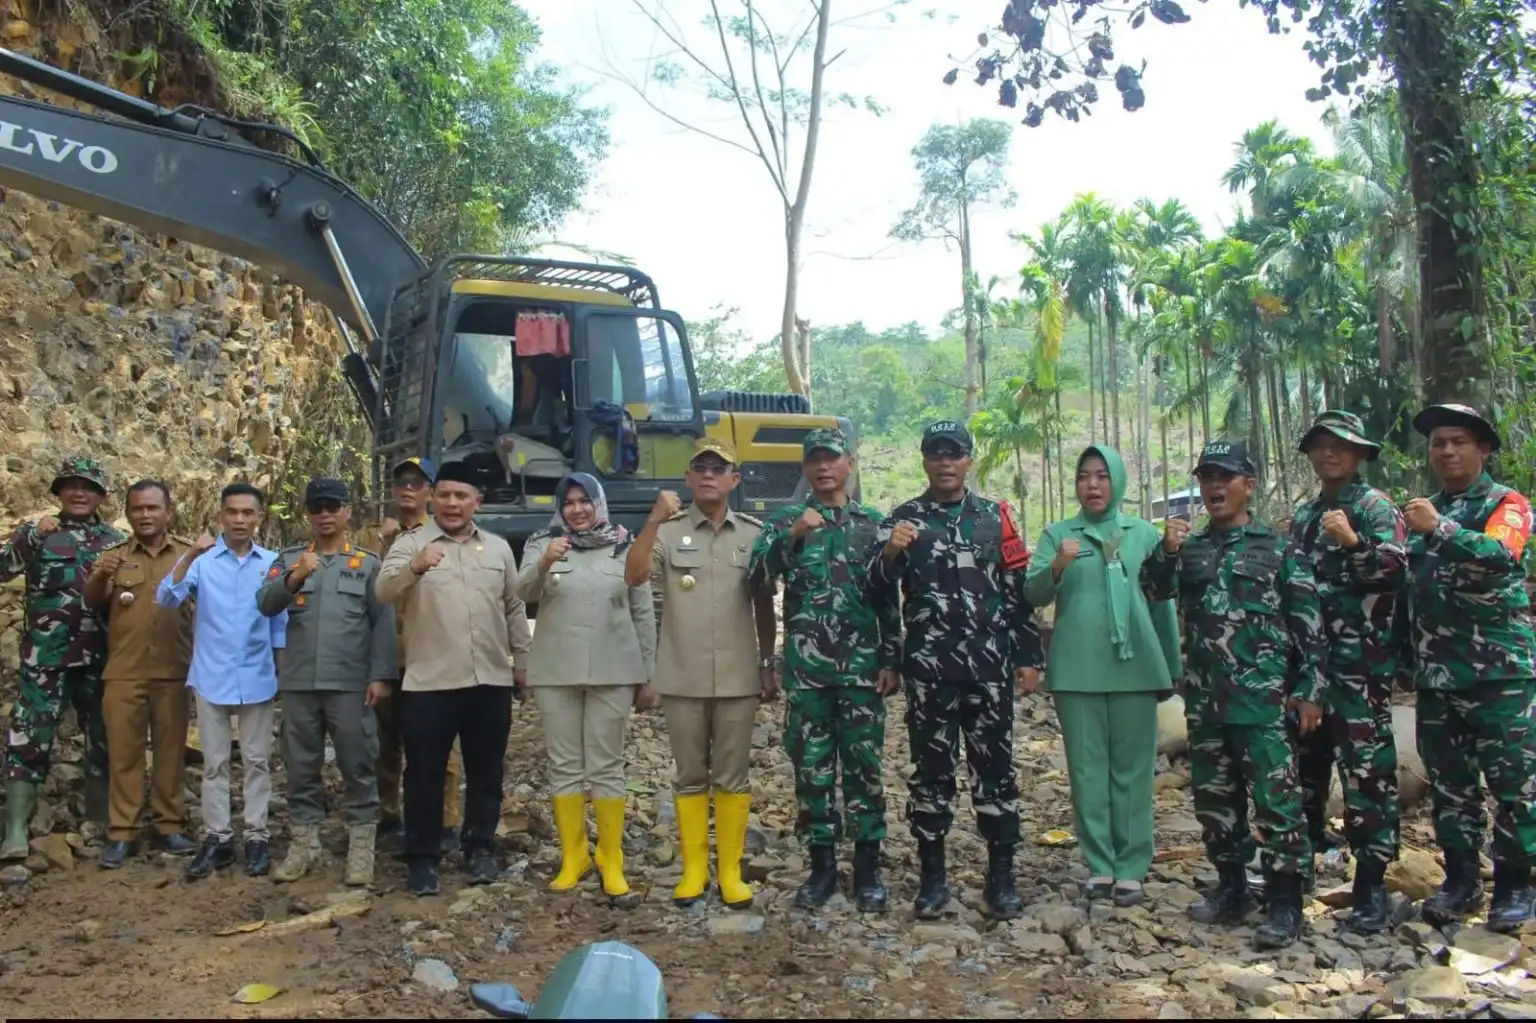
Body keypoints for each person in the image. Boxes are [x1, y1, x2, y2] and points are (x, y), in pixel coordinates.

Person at [1143, 441, 1323, 950]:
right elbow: (1153, 589)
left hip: (1263, 704)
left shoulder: (1278, 548)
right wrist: (1168, 551)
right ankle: (1232, 888)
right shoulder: (1193, 548)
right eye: (1206, 478)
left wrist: (1309, 691)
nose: (1215, 487)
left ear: (1250, 484)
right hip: (1206, 703)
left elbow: (1309, 624)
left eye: (1225, 477)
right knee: (1215, 803)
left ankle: (1286, 901)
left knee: (1277, 805)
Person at [868, 420, 1043, 921]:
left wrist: (1029, 657)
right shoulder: (904, 518)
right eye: (936, 453)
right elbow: (875, 590)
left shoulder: (995, 517)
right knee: (931, 775)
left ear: (969, 460)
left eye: (956, 453)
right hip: (930, 673)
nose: (946, 462)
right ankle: (932, 879)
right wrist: (892, 550)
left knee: (996, 773)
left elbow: (1019, 590)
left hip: (989, 669)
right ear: (924, 460)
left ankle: (1001, 879)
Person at [624, 436, 779, 909]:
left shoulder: (754, 535)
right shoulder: (668, 533)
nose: (709, 474)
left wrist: (768, 662)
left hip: (737, 677)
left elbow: (764, 604)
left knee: (732, 776)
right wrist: (652, 520)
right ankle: (694, 871)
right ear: (689, 478)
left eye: (719, 468)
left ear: (734, 480)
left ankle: (730, 872)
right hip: (682, 675)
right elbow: (633, 576)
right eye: (700, 467)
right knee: (689, 775)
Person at [749, 427, 900, 912]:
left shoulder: (873, 523)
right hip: (808, 675)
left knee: (865, 770)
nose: (823, 467)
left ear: (849, 464)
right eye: (814, 460)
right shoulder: (787, 520)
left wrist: (892, 658)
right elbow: (755, 579)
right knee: (812, 772)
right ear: (804, 468)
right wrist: (791, 538)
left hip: (861, 674)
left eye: (831, 459)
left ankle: (869, 870)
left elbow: (886, 597)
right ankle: (821, 869)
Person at [1025, 445, 1181, 907]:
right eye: (1084, 476)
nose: (1092, 485)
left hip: (1135, 669)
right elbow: (1032, 593)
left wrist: (1169, 669)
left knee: (1133, 772)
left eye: (1101, 476)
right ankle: (1100, 865)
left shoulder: (1144, 535)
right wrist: (1058, 565)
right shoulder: (1058, 535)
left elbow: (1161, 603)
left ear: (1117, 482)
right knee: (1088, 772)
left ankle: (1131, 866)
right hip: (1077, 671)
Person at [1403, 403, 1536, 932]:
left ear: (1482, 449)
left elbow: (1502, 555)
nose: (1448, 451)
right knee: (1451, 788)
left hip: (1499, 676)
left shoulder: (1508, 503)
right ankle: (1460, 881)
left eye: (1459, 441)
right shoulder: (1421, 511)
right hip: (1438, 678)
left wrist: (1440, 530)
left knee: (1515, 787)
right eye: (1439, 442)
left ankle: (1514, 886)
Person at [376, 460, 532, 896]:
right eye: (443, 494)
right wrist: (415, 567)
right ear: (432, 498)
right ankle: (422, 859)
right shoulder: (412, 544)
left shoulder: (498, 548)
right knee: (424, 773)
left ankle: (479, 848)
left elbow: (514, 606)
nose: (451, 503)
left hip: (489, 680)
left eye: (461, 495)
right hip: (430, 682)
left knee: (486, 773)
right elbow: (383, 591)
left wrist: (522, 660)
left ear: (476, 502)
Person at [1289, 410, 1407, 931]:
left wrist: (1354, 544)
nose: (1328, 453)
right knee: (1305, 772)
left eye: (1339, 445)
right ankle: (1301, 873)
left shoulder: (1375, 507)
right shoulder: (1305, 515)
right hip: (1308, 670)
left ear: (1359, 453)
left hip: (1360, 669)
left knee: (1366, 776)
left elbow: (1395, 571)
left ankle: (1370, 886)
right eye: (1319, 445)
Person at [518, 472, 656, 905]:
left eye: (585, 501)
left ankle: (610, 859)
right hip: (556, 669)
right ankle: (573, 856)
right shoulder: (543, 542)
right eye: (569, 502)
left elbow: (643, 610)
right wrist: (544, 563)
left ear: (599, 503)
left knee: (606, 765)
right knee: (564, 765)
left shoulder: (624, 545)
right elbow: (520, 592)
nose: (577, 509)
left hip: (613, 669)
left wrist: (647, 673)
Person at [258, 477, 396, 886]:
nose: (324, 514)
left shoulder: (368, 564)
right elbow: (265, 604)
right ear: (308, 513)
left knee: (359, 764)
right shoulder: (290, 559)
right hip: (299, 683)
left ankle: (360, 849)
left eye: (332, 506)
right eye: (317, 507)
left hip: (351, 684)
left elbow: (383, 623)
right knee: (300, 767)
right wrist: (296, 576)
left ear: (347, 511)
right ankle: (305, 844)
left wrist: (381, 675)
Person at [155, 482, 286, 880]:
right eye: (233, 512)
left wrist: (281, 669)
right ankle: (217, 836)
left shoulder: (273, 562)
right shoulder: (204, 562)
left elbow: (280, 621)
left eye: (248, 513)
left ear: (260, 518)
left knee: (257, 760)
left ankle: (257, 836)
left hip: (258, 673)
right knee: (213, 763)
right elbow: (166, 598)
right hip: (210, 673)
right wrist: (191, 553)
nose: (240, 520)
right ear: (221, 517)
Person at [0, 457, 126, 860]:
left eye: (87, 486)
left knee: (103, 739)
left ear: (101, 496)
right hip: (46, 659)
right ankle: (16, 830)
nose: (78, 492)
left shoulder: (114, 541)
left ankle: (100, 823)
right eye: (70, 485)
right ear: (58, 492)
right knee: (28, 738)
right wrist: (31, 537)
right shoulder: (37, 533)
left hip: (99, 657)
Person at [84, 480, 197, 868]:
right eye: (137, 509)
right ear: (128, 513)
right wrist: (100, 575)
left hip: (174, 670)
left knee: (170, 752)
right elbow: (93, 603)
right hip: (124, 671)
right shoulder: (112, 556)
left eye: (153, 508)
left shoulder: (190, 556)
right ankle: (123, 832)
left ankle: (169, 826)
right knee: (124, 754)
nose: (145, 515)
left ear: (168, 512)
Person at [375, 456, 464, 851]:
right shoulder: (369, 537)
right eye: (401, 482)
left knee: (440, 745)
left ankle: (444, 820)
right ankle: (388, 814)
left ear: (430, 490)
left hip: (431, 656)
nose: (407, 489)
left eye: (417, 482)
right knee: (384, 741)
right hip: (385, 654)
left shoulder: (445, 534)